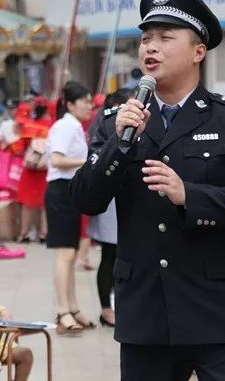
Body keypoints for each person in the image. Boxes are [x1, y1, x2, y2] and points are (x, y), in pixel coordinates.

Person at [70, 0, 225, 381]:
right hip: (147, 312)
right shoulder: (117, 121)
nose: (151, 47)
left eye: (166, 37)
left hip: (221, 312)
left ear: (198, 51)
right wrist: (118, 145)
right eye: (146, 38)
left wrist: (190, 196)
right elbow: (84, 198)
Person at [45, 81, 95, 334]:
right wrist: (88, 162)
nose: (89, 106)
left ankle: (73, 307)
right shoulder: (65, 126)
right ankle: (62, 309)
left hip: (70, 189)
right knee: (64, 254)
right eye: (85, 101)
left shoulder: (74, 126)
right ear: (71, 104)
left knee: (71, 253)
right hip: (61, 190)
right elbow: (57, 159)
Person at [86, 89, 131, 329]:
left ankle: (118, 305)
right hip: (110, 203)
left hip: (125, 202)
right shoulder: (104, 127)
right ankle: (106, 309)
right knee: (109, 255)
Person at [15, 98, 52, 243]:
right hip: (45, 168)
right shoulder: (52, 125)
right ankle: (44, 234)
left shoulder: (28, 126)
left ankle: (23, 234)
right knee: (44, 203)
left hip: (29, 169)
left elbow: (19, 148)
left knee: (27, 203)